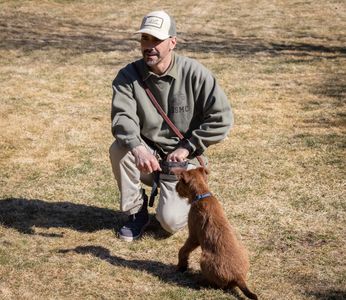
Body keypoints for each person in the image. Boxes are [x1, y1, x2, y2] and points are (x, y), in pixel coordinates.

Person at [110, 10, 233, 242]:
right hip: (148, 158)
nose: (149, 46)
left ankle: (171, 200)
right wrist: (138, 148)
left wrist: (188, 147)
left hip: (182, 163)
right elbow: (122, 118)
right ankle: (135, 213)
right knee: (119, 148)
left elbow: (222, 118)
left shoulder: (196, 74)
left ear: (172, 42)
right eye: (145, 38)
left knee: (169, 223)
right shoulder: (128, 76)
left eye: (157, 40)